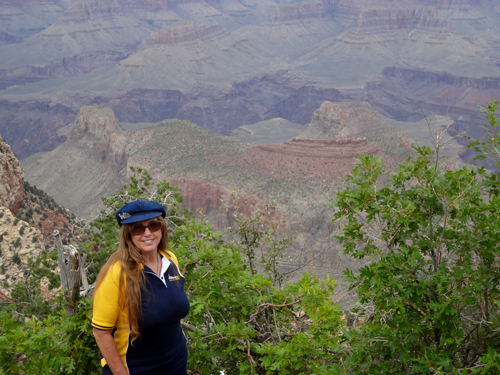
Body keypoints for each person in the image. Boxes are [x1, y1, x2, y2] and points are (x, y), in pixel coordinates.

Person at [92, 200, 190, 375]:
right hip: (136, 367)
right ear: (128, 234)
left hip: (176, 362)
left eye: (154, 225)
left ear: (162, 228)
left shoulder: (170, 260)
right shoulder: (117, 274)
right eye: (138, 228)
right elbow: (101, 332)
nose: (147, 233)